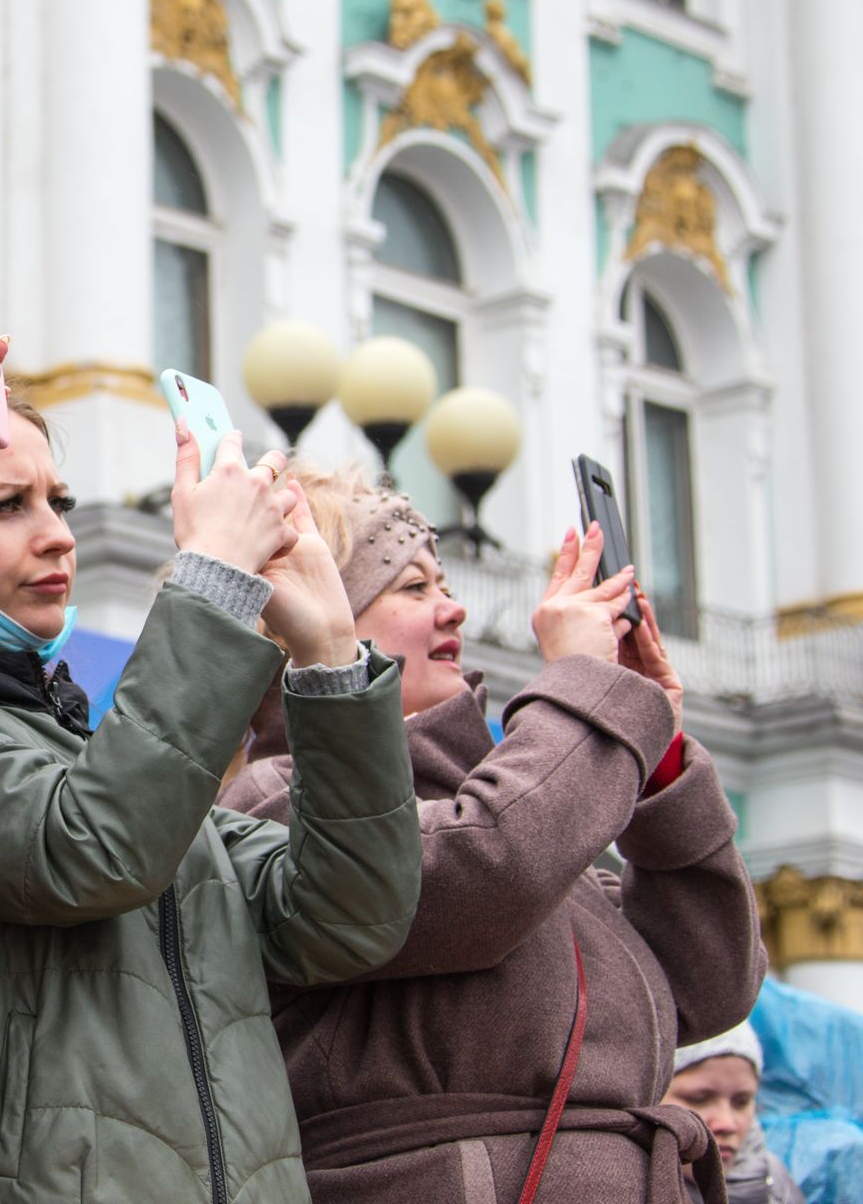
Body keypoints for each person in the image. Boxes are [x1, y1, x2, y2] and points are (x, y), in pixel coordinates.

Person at [0, 400, 423, 1203]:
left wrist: (329, 655)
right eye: (8, 505)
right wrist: (215, 585)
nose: (58, 535)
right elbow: (90, 849)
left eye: (61, 502)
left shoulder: (118, 757)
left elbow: (347, 919)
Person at [219, 465, 766, 1203]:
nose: (454, 613)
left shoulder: (514, 806)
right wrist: (582, 688)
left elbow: (710, 983)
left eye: (443, 585)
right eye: (414, 589)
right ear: (308, 621)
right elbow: (488, 871)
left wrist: (658, 755)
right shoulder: (275, 796)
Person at [664, 1023, 806, 1204]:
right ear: (649, 1097)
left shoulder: (776, 1186)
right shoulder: (623, 1185)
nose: (727, 1124)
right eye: (699, 1099)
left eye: (741, 1102)